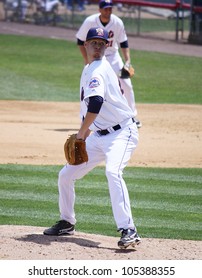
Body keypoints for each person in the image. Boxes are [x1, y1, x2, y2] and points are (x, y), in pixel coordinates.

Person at [43, 27, 141, 249]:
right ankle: (67, 221)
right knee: (66, 175)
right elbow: (90, 111)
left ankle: (129, 229)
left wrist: (79, 135)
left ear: (107, 47)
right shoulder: (88, 69)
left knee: (113, 172)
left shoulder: (97, 70)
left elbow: (95, 105)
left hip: (121, 133)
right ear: (85, 45)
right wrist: (85, 134)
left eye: (101, 44)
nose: (97, 47)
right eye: (93, 43)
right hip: (99, 135)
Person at [76, 0, 142, 128]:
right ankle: (85, 119)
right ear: (100, 9)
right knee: (87, 87)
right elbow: (80, 41)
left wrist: (127, 61)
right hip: (94, 57)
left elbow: (123, 42)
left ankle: (132, 115)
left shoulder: (117, 22)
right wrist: (86, 59)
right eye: (105, 9)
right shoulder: (90, 21)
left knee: (127, 85)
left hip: (112, 57)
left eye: (110, 9)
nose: (108, 11)